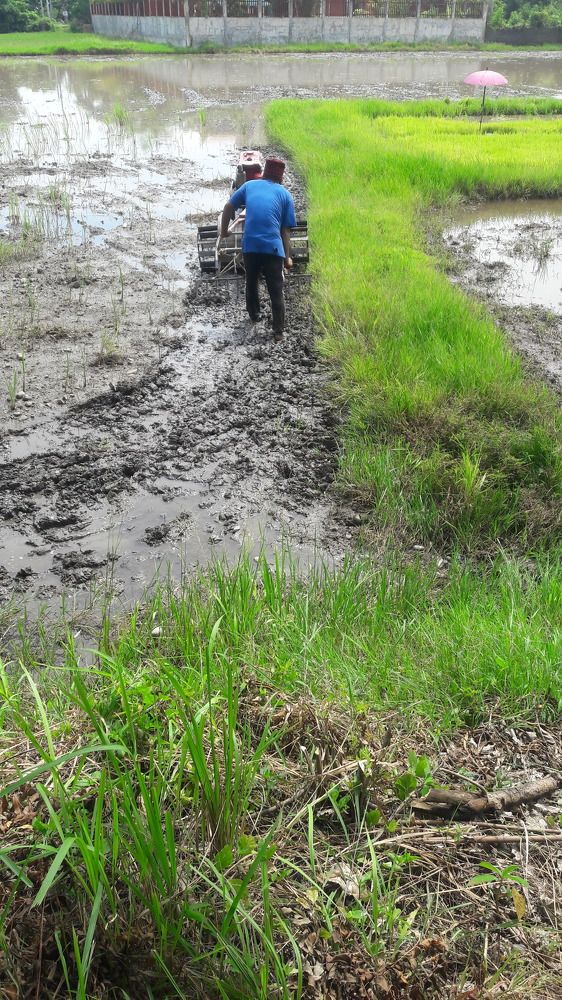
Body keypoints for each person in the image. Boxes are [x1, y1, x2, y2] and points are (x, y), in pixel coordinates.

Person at [220, 156, 296, 341]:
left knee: (251, 282)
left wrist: (224, 231)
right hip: (272, 248)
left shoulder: (250, 186)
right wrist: (287, 258)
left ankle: (254, 315)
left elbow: (229, 206)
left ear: (263, 174)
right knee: (276, 288)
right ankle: (278, 332)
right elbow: (285, 231)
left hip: (251, 246)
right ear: (281, 177)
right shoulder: (285, 194)